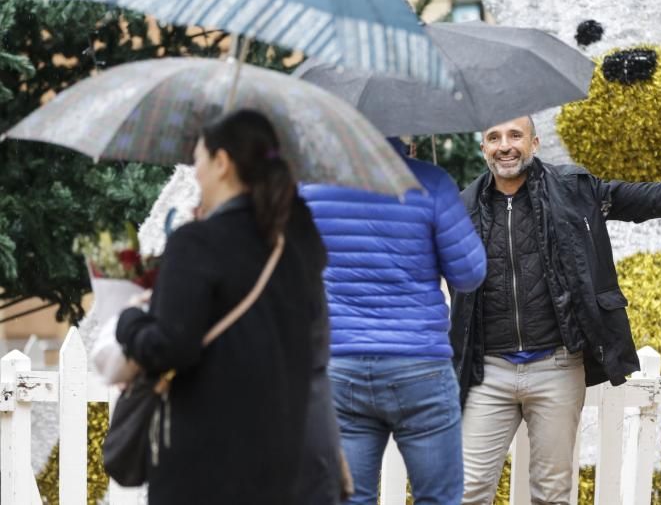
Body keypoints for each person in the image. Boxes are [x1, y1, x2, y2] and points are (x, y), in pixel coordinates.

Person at [452, 116, 661, 504]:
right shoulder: (460, 208)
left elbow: (651, 199)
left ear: (534, 144)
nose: (505, 145)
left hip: (555, 366)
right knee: (465, 491)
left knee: (551, 494)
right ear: (483, 147)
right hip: (489, 372)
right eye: (494, 137)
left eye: (515, 136)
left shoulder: (574, 190)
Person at [116, 109, 337, 504]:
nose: (194, 171)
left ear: (222, 163)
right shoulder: (297, 245)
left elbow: (171, 346)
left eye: (198, 158)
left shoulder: (197, 243)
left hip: (206, 466)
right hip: (282, 464)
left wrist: (129, 321)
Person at [301, 137, 487, 505]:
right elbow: (470, 274)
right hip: (419, 365)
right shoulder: (430, 182)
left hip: (341, 365)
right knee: (438, 499)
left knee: (349, 497)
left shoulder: (309, 188)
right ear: (407, 132)